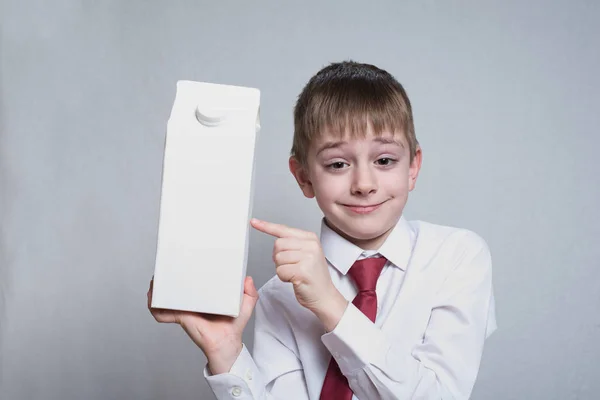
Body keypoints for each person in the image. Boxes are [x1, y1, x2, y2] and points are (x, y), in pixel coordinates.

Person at [147, 60, 497, 400]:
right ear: (304, 177)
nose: (364, 184)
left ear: (413, 166)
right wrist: (224, 351)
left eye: (385, 160)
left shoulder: (457, 257)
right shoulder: (280, 295)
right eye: (338, 164)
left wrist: (330, 303)